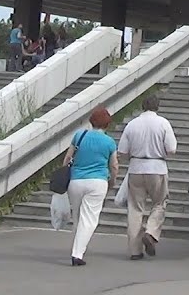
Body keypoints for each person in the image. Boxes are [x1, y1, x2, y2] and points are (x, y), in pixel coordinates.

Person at [117, 95, 177, 261]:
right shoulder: (163, 123)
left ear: (143, 106)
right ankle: (150, 232)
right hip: (157, 167)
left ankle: (135, 251)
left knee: (135, 209)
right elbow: (171, 149)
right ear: (157, 106)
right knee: (159, 203)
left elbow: (122, 151)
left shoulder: (132, 124)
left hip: (136, 168)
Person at [64, 107, 118, 266]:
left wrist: (65, 175)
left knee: (77, 217)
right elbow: (114, 165)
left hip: (76, 181)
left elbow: (68, 157)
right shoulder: (109, 142)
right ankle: (77, 253)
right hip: (97, 182)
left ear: (91, 121)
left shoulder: (79, 135)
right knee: (89, 219)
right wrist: (112, 181)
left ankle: (77, 247)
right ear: (107, 124)